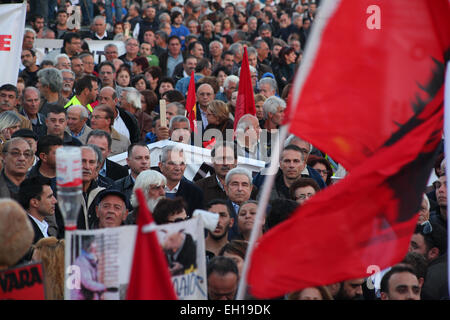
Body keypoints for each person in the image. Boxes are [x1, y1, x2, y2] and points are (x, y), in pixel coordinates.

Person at [158, 145, 204, 217]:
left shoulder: (195, 193)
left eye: (181, 163)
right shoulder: (151, 189)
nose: (178, 168)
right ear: (161, 166)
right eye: (172, 163)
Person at [18, 176, 58, 244]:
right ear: (34, 202)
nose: (55, 201)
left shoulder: (43, 227)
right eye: (50, 197)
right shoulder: (25, 234)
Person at [70, 236, 107, 300]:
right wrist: (103, 287)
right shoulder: (81, 261)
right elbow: (87, 283)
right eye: (94, 243)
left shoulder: (92, 259)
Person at [224, 167, 254, 240]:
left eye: (244, 184)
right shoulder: (217, 211)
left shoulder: (263, 210)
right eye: (235, 184)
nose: (240, 189)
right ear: (226, 188)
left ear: (251, 189)